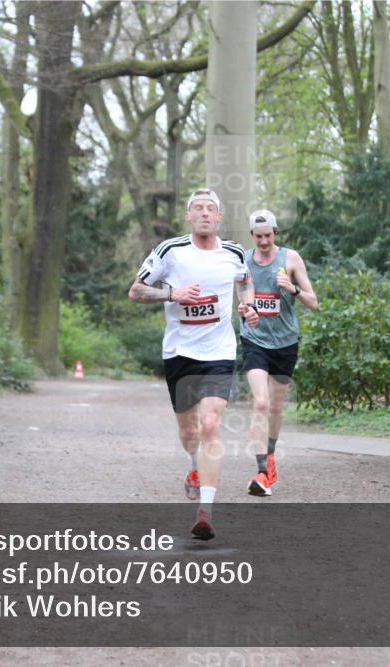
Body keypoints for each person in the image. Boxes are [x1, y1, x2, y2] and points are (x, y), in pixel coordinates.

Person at [129, 188, 259, 540]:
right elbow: (136, 291)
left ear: (219, 217)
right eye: (197, 208)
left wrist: (248, 307)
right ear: (188, 216)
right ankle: (193, 465)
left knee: (211, 423)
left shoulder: (232, 252)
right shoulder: (171, 251)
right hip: (180, 353)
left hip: (219, 352)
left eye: (210, 209)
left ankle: (205, 511)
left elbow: (245, 281)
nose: (204, 213)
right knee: (189, 433)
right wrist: (172, 294)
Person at [241, 209, 318, 496]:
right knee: (260, 403)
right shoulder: (245, 261)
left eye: (268, 236)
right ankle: (262, 473)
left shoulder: (291, 258)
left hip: (285, 342)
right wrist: (246, 310)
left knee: (274, 406)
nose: (263, 241)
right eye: (258, 236)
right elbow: (243, 297)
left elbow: (314, 302)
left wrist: (293, 289)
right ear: (252, 236)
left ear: (275, 234)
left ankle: (270, 455)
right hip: (255, 340)